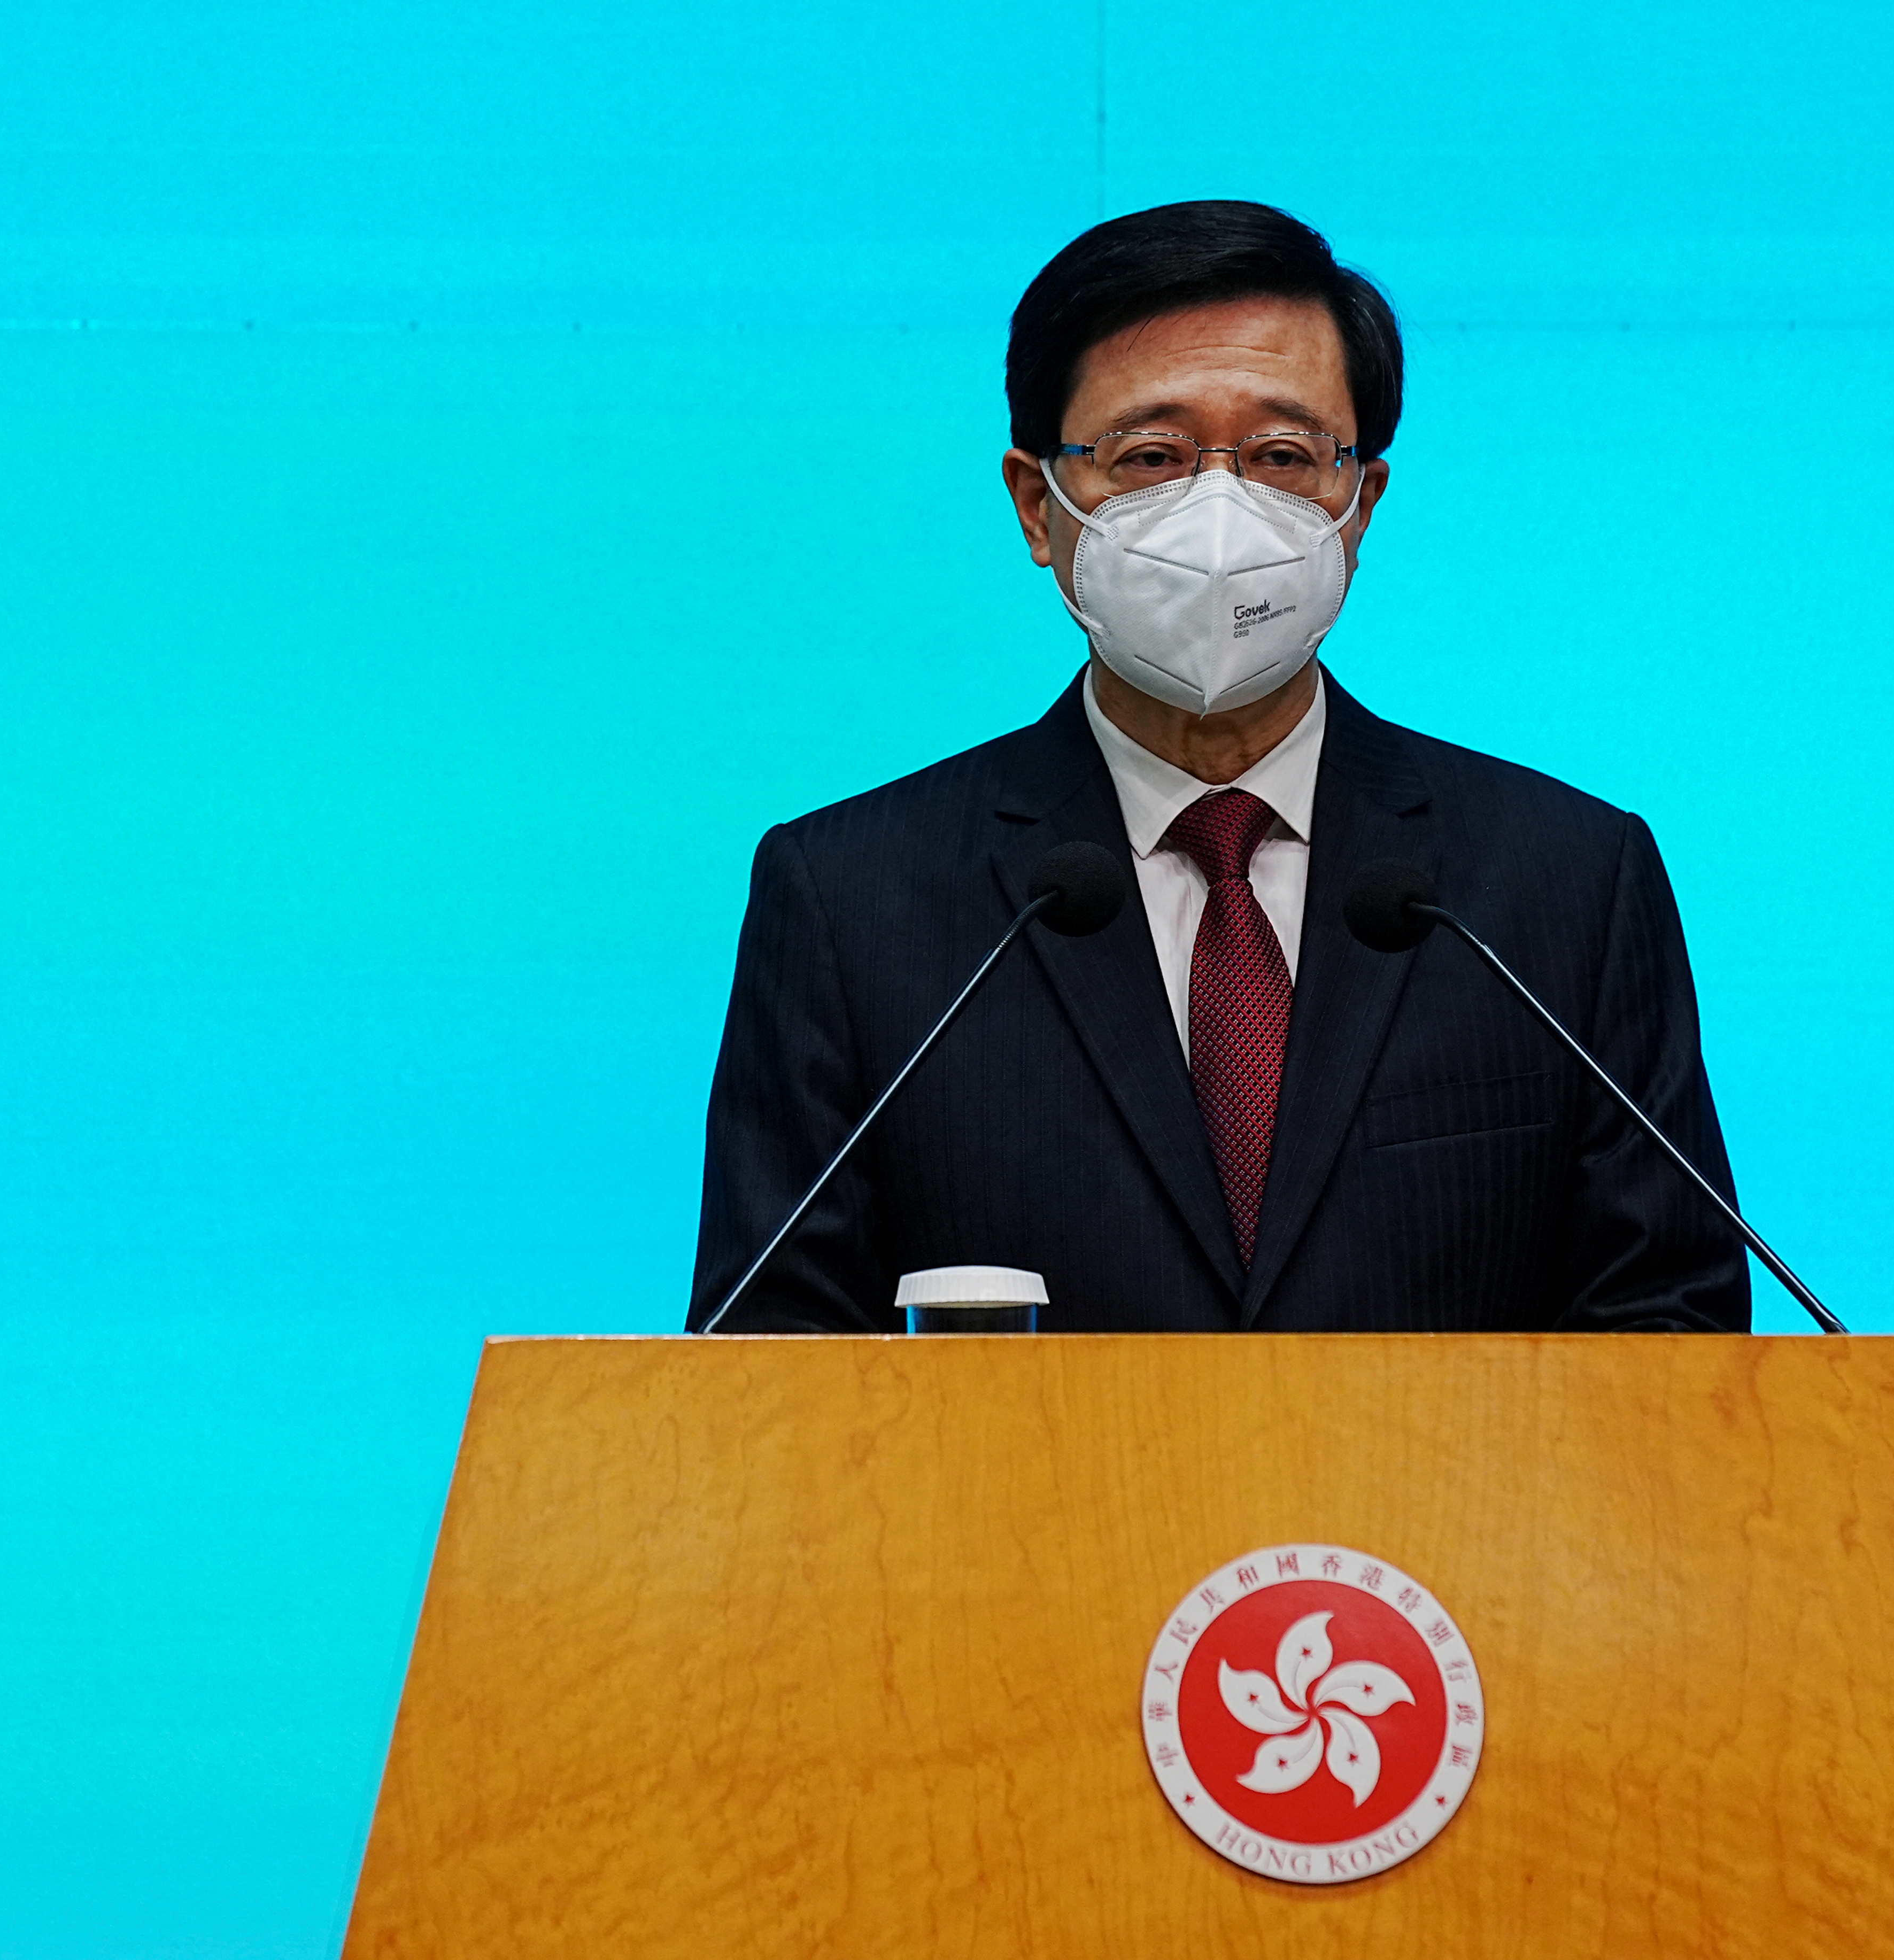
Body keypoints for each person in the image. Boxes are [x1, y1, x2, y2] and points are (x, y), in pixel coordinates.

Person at [689, 200, 1750, 1335]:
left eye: (1282, 458)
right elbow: (770, 1363)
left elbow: (1667, 1332)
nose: (1216, 512)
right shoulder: (851, 898)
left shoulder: (1561, 884)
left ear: (1358, 506)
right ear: (1036, 508)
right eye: (1148, 457)